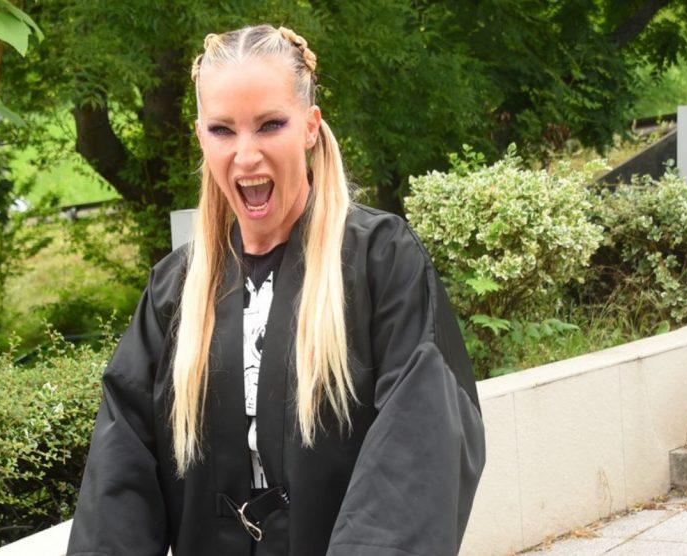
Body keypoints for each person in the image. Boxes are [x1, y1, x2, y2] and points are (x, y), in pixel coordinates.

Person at [67, 24, 485, 556]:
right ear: (200, 137)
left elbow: (419, 442)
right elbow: (118, 479)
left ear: (310, 126)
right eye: (222, 130)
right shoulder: (174, 293)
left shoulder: (380, 262)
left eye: (270, 125)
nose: (246, 155)